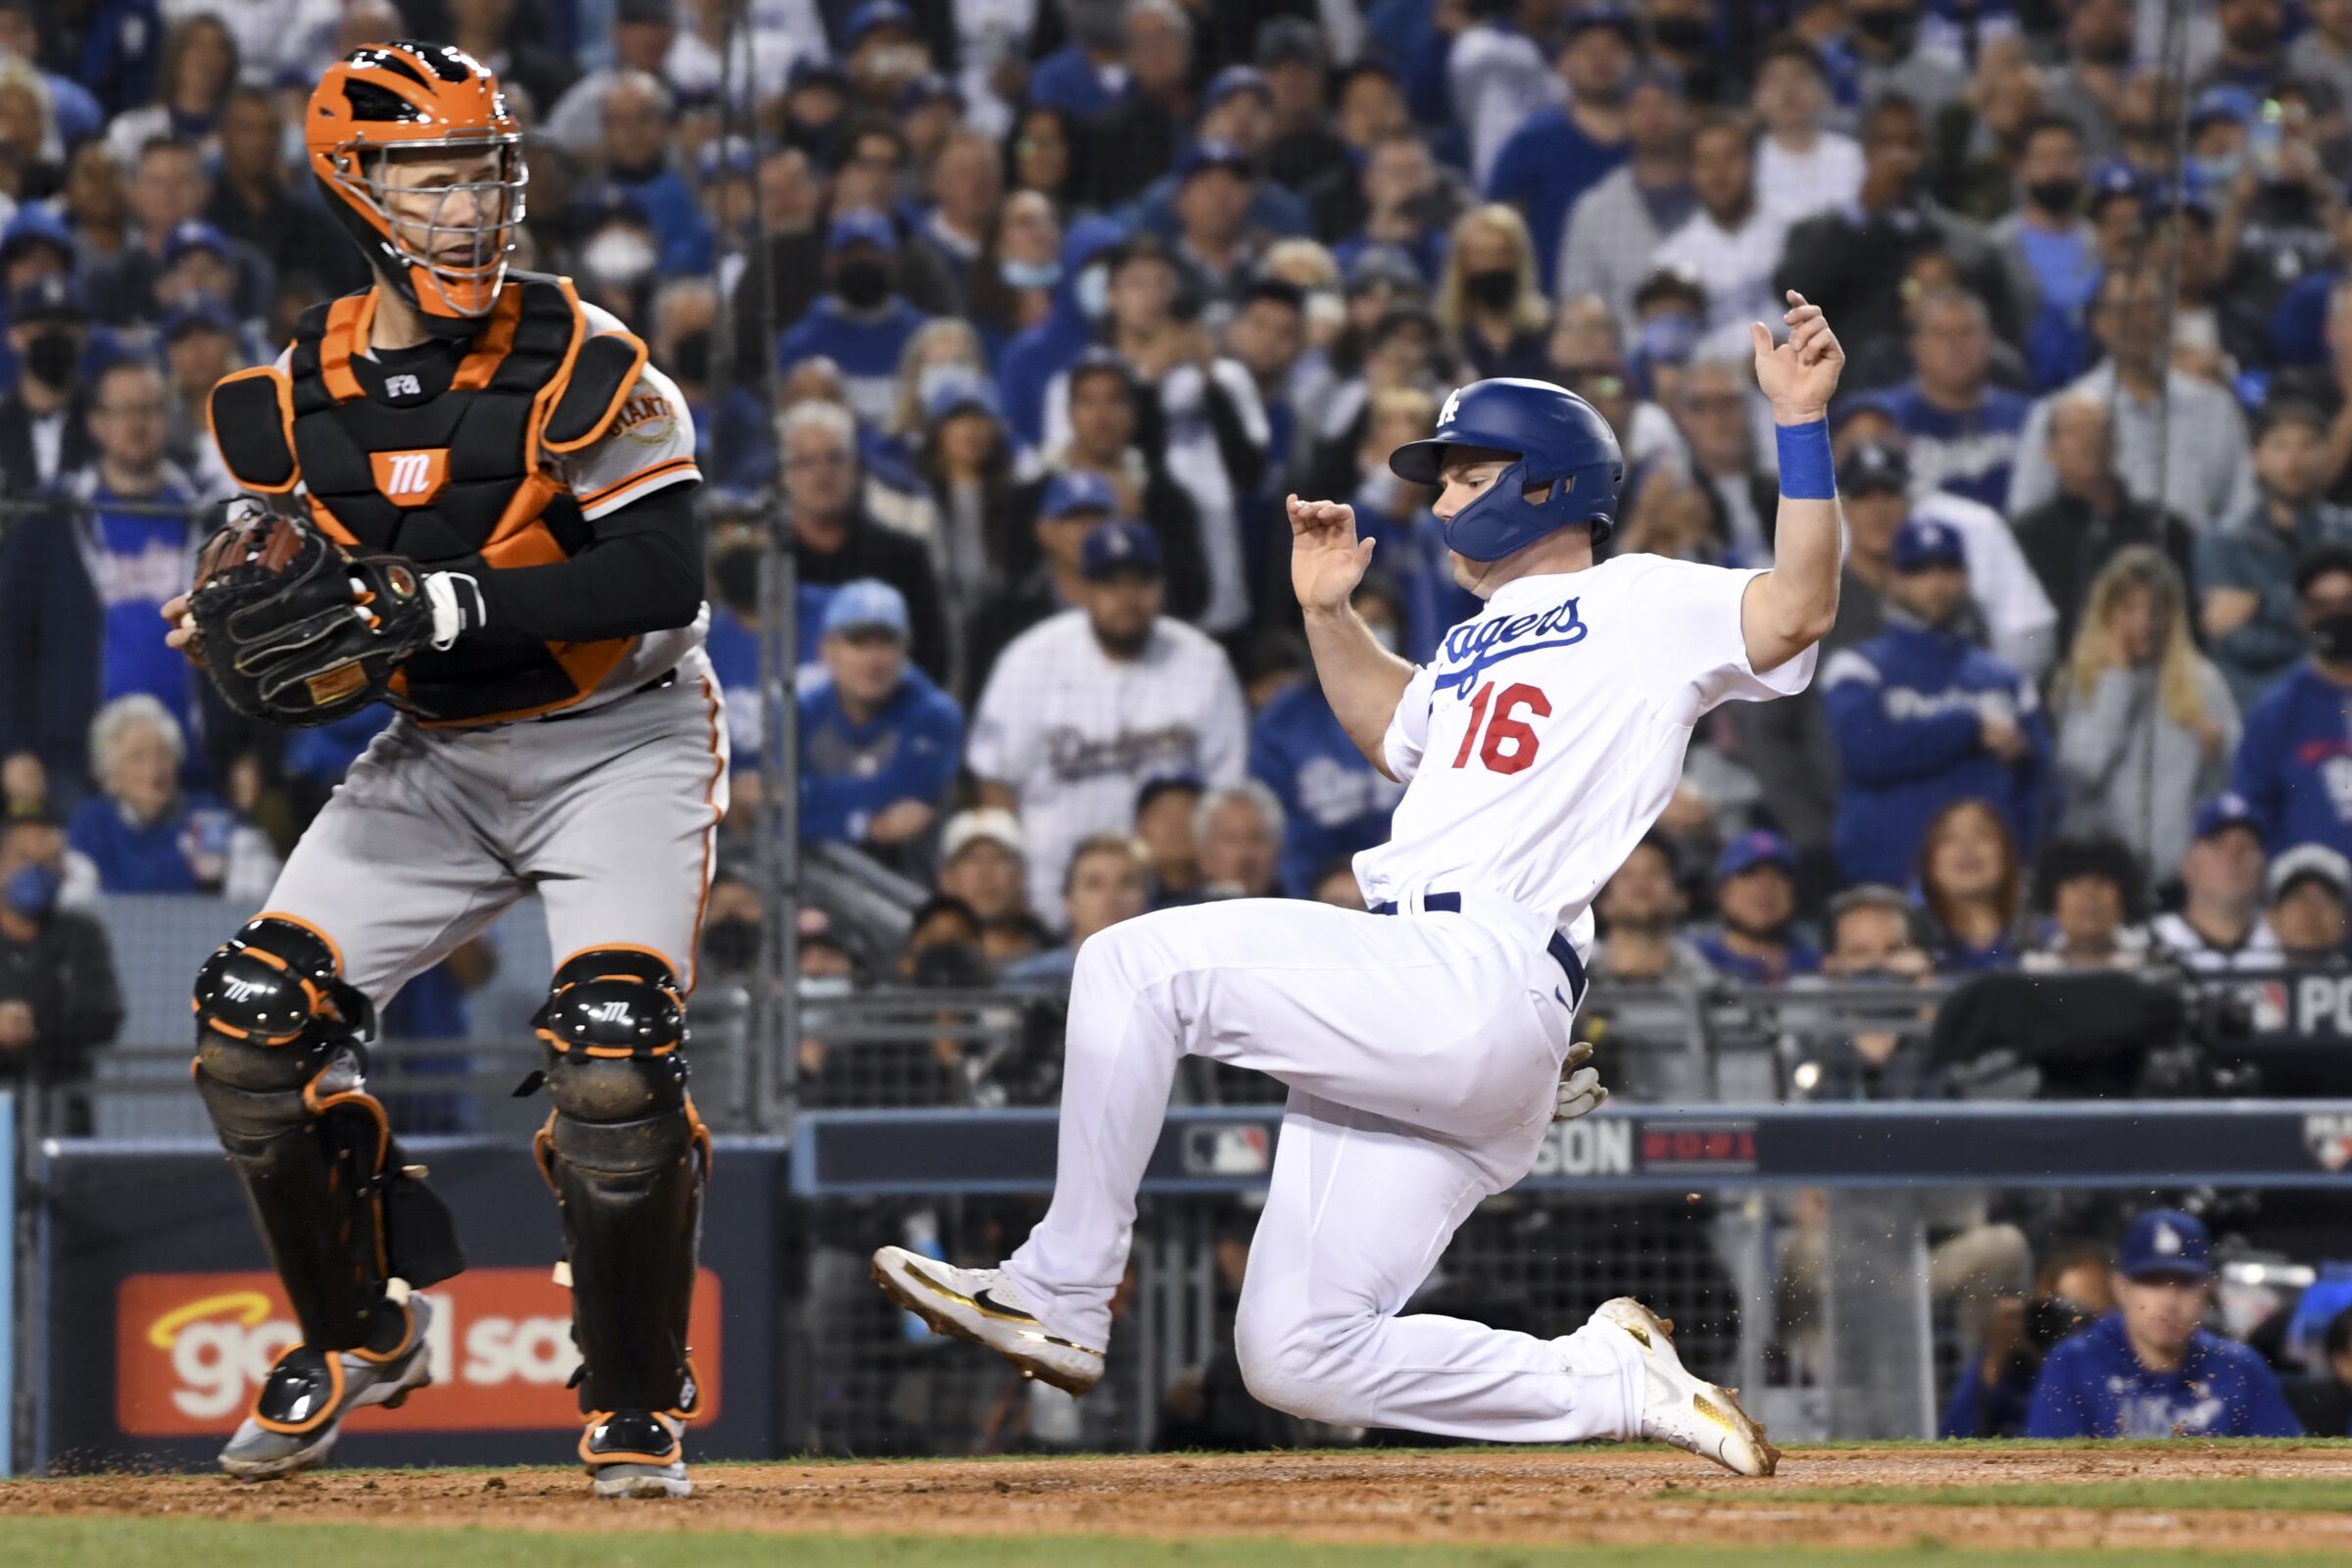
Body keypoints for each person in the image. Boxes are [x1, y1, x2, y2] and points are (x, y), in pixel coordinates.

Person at [873, 291, 1851, 1478]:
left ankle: (1064, 1289)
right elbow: (1396, 729)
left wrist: (1799, 427)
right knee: (1296, 1353)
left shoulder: (1639, 595)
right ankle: (1601, 1378)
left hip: (1472, 968)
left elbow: (1796, 608)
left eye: (1461, 469)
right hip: (1448, 1018)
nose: (1438, 493)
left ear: (1543, 483)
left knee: (1131, 963)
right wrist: (1327, 611)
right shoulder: (1470, 639)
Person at [162, 44, 723, 1497]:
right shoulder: (293, 391)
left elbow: (668, 570)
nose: (468, 204)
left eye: (483, 170)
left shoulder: (588, 353)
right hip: (437, 753)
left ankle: (636, 1396)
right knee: (249, 1029)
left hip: (620, 739)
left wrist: (443, 603)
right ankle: (358, 1331)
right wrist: (227, 622)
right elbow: (288, 578)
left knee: (611, 1052)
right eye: (432, 172)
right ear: (357, 183)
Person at [968, 518, 1249, 923]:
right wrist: (1016, 893)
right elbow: (997, 782)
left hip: (1173, 902)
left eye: (1142, 582)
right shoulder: (1030, 659)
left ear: (1162, 588)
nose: (1127, 597)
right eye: (1111, 583)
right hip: (1049, 897)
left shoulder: (1203, 663)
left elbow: (1225, 791)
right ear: (1082, 589)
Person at [0, 357, 209, 800]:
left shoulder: (208, 515)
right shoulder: (51, 519)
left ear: (168, 418)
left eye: (150, 408)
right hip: (72, 768)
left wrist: (244, 747)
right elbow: (10, 639)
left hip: (194, 767)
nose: (137, 424)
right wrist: (13, 747)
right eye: (123, 410)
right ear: (96, 423)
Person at [1824, 517, 2051, 888]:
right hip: (1888, 881)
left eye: (1948, 567)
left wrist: (2023, 861)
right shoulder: (1859, 668)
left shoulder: (2006, 680)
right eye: (1919, 570)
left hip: (1991, 889)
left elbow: (2042, 786)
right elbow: (1868, 753)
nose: (1936, 583)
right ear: (1894, 579)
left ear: (1965, 577)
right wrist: (1967, 726)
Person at [2008, 267, 2257, 528]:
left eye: (2150, 306)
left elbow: (2242, 513)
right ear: (2099, 324)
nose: (2138, 320)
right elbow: (2027, 518)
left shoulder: (2216, 409)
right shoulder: (2057, 412)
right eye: (2123, 309)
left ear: (2171, 317)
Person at [2028, 1209, 2303, 1439]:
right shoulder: (2075, 1363)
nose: (2168, 1301)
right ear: (2121, 1288)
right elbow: (2049, 1479)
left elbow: (2292, 1473)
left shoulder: (2239, 1368)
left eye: (2184, 1284)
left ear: (2207, 1290)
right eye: (2151, 1282)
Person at [2052, 548, 2238, 880]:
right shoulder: (2083, 682)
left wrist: (2214, 758)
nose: (2143, 624)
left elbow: (2231, 791)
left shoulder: (2202, 683)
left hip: (2181, 878)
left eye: (2155, 610)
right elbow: (2082, 774)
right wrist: (2116, 683)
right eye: (2128, 609)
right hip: (2104, 878)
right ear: (2106, 612)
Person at [1250, 578, 1410, 898]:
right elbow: (1277, 830)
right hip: (1313, 896)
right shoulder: (1284, 719)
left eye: (1379, 623)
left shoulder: (1426, 703)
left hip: (1407, 889)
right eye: (1358, 621)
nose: (1368, 635)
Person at [2012, 393, 2198, 659]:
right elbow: (2028, 630)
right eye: (2074, 433)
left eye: (2098, 430)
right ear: (2050, 453)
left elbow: (2187, 616)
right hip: (2068, 679)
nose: (2089, 442)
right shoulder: (2027, 537)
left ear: (2115, 444)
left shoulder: (2164, 528)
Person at [2199, 401, 2352, 712]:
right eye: (2280, 446)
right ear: (2256, 458)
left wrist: (2263, 601)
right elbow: (2235, 641)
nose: (2293, 461)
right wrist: (2324, 624)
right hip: (2256, 705)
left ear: (2326, 455)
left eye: (2308, 445)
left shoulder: (2346, 533)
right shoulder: (2224, 542)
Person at [797, 580, 962, 862]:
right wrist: (865, 824)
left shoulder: (935, 715)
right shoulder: (801, 713)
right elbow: (775, 816)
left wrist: (811, 799)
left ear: (906, 648)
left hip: (909, 881)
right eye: (858, 642)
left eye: (886, 642)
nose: (873, 660)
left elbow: (900, 791)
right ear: (826, 650)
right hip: (812, 882)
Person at [66, 695, 277, 901]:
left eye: (162, 754)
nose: (153, 770)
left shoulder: (209, 818)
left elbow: (254, 895)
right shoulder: (92, 824)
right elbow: (79, 904)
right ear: (110, 771)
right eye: (137, 757)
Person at [1483, 10, 1637, 289]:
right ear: (1563, 63)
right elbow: (1497, 229)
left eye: (1613, 49)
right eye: (1588, 50)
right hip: (1552, 311)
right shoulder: (1532, 141)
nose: (1602, 60)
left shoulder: (1651, 142)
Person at [0, 812, 123, 1137]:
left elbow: (104, 1015)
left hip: (63, 1114)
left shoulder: (82, 934)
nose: (37, 871)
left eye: (50, 860)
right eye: (24, 859)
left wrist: (34, 1025)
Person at [2232, 546, 2352, 864]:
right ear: (2304, 617)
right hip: (2314, 902)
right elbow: (2255, 814)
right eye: (2323, 606)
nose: (2338, 616)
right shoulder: (2277, 712)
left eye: (2348, 602)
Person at [1868, 289, 2031, 512]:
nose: (1955, 346)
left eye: (1967, 332)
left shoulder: (2026, 418)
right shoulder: (1877, 418)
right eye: (1940, 334)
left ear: (1990, 340)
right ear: (1915, 345)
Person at [998, 830, 1152, 988]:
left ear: (1145, 897)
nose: (1111, 898)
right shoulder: (1028, 982)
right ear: (1069, 901)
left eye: (1126, 883)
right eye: (1094, 884)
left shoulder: (1169, 978)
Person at [2149, 795, 2282, 971]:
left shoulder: (2286, 944)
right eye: (2217, 844)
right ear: (2187, 864)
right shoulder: (2146, 944)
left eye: (2246, 846)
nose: (2233, 856)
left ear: (2264, 867)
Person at [1691, 830, 1820, 985]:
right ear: (1722, 892)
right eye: (1750, 874)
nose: (1765, 887)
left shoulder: (1815, 965)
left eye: (1779, 875)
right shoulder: (1692, 959)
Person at [1915, 798, 2030, 972]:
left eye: (1982, 834)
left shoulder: (2045, 941)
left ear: (2006, 854)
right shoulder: (1909, 943)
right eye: (1949, 838)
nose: (1967, 847)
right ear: (1930, 861)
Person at [2022, 835, 2149, 972]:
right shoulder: (2031, 970)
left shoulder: (2148, 967)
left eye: (2101, 882)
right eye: (2074, 882)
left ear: (2125, 895)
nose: (2088, 895)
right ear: (2052, 897)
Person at [2263, 843, 2352, 963]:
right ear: (2272, 918)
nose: (2310, 911)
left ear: (2346, 920)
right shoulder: (2250, 980)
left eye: (2324, 899)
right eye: (2298, 898)